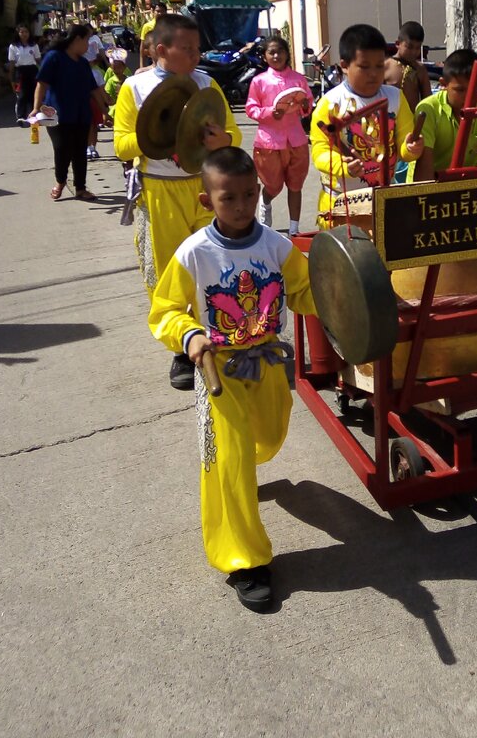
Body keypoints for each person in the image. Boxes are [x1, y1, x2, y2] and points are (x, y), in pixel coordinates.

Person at [148, 146, 317, 612]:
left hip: (265, 364)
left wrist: (345, 294)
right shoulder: (194, 253)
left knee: (269, 435)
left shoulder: (276, 246)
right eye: (229, 198)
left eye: (248, 196)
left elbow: (304, 293)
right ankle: (244, 559)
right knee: (231, 460)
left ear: (259, 193)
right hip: (218, 369)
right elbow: (164, 311)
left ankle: (245, 473)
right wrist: (189, 335)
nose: (241, 206)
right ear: (208, 201)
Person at [114, 12, 241, 391]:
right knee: (169, 271)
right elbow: (122, 144)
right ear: (161, 49)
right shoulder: (134, 90)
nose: (196, 55)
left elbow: (232, 133)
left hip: (202, 186)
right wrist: (157, 134)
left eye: (197, 47)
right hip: (159, 190)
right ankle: (182, 348)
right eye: (188, 49)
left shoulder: (207, 85)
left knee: (215, 262)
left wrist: (222, 141)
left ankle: (222, 334)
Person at [310, 23, 423, 225]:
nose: (373, 73)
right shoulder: (330, 104)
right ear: (344, 66)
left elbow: (404, 145)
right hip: (340, 203)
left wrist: (412, 148)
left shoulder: (395, 98)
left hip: (382, 199)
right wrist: (342, 166)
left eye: (379, 66)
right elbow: (319, 151)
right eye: (364, 67)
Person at [32, 24, 111, 202]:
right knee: (62, 149)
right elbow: (42, 83)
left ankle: (80, 188)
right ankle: (60, 181)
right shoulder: (54, 58)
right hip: (56, 114)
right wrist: (36, 108)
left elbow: (94, 89)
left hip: (81, 114)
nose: (89, 45)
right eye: (87, 40)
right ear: (77, 39)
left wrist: (105, 111)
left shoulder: (83, 63)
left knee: (79, 151)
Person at [245, 35, 314, 235]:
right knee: (272, 186)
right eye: (271, 52)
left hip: (296, 140)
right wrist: (269, 113)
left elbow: (307, 106)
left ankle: (294, 229)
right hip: (269, 142)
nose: (276, 56)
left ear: (287, 54)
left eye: (280, 51)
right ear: (265, 56)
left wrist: (304, 106)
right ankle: (265, 205)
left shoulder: (299, 79)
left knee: (295, 185)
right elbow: (251, 109)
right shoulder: (259, 81)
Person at [410, 48, 477, 180]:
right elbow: (424, 170)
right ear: (444, 84)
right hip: (430, 187)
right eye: (460, 90)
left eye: (475, 88)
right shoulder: (428, 110)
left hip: (466, 187)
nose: (469, 96)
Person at [384, 21, 432, 111]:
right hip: (391, 120)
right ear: (398, 44)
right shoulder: (385, 67)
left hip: (413, 122)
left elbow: (428, 101)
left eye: (418, 48)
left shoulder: (420, 69)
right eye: (409, 47)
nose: (414, 52)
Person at [82, 23, 107, 161]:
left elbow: (100, 89)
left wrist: (105, 106)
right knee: (86, 124)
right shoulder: (78, 70)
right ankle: (86, 147)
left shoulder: (97, 73)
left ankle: (93, 147)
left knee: (94, 124)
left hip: (94, 102)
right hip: (82, 100)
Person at [7, 25, 41, 122]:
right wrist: (11, 78)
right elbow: (12, 63)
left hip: (32, 70)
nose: (24, 34)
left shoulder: (34, 45)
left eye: (26, 32)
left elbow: (38, 60)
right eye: (22, 32)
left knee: (33, 93)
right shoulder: (13, 46)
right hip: (20, 71)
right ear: (18, 33)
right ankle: (21, 116)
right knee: (22, 94)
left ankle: (34, 114)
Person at [139, 1, 168, 69]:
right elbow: (142, 48)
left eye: (162, 11)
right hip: (152, 60)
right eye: (158, 11)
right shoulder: (147, 26)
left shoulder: (170, 26)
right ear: (153, 12)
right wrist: (141, 66)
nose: (160, 13)